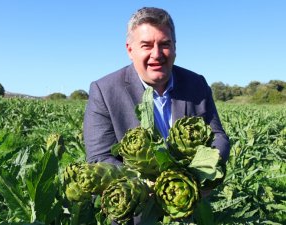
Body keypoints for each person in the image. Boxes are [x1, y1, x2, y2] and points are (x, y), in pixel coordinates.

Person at [84, 7, 230, 224]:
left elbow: (218, 137)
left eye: (164, 44)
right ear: (130, 49)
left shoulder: (196, 84)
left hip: (188, 210)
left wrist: (198, 175)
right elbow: (98, 158)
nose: (157, 54)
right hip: (136, 216)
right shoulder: (105, 91)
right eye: (146, 45)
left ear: (174, 47)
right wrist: (145, 184)